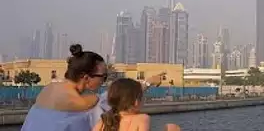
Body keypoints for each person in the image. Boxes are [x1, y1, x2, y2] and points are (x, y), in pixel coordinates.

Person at [21, 44, 165, 131]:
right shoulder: (87, 104)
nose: (104, 81)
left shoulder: (47, 92)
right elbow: (119, 96)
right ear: (86, 77)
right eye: (103, 77)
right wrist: (147, 83)